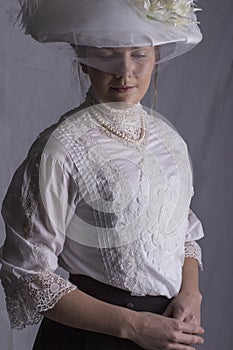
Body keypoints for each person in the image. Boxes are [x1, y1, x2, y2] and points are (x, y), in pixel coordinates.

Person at [0, 1, 205, 349]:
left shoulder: (168, 140)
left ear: (155, 56)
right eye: (107, 55)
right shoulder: (61, 148)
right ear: (84, 61)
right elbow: (28, 275)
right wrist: (136, 326)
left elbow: (180, 230)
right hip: (91, 337)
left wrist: (191, 292)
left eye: (138, 55)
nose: (125, 73)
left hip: (169, 334)